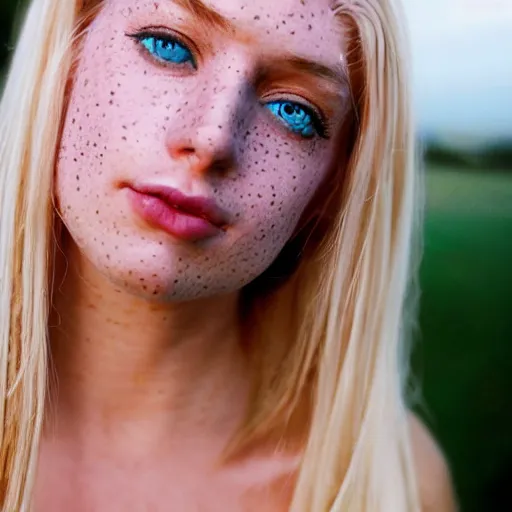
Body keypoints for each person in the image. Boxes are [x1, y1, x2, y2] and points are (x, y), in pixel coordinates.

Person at [0, 0, 456, 510]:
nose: (213, 137)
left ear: (330, 192)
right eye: (167, 46)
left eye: (294, 111)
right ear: (65, 58)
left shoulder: (391, 484)